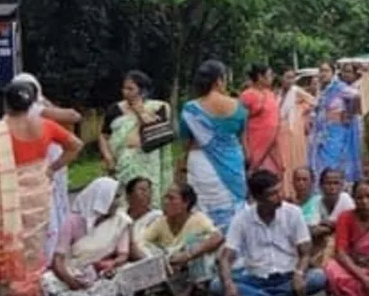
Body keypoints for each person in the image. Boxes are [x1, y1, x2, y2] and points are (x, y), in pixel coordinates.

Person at [0, 81, 83, 296]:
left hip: (8, 195)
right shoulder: (45, 125)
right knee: (34, 249)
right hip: (38, 192)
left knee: (9, 246)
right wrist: (52, 168)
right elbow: (76, 145)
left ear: (6, 104)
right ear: (32, 103)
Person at [211, 170, 327, 296]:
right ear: (258, 198)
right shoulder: (242, 218)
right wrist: (228, 284)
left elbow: (305, 252)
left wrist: (299, 274)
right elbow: (225, 258)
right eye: (272, 194)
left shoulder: (293, 213)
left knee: (318, 278)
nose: (280, 196)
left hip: (288, 278)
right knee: (217, 286)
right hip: (255, 279)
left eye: (279, 191)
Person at [41, 177, 151, 296]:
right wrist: (70, 280)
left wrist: (112, 265)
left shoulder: (121, 221)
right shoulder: (73, 221)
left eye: (119, 197)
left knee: (117, 282)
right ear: (102, 199)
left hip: (102, 274)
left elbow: (123, 254)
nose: (118, 202)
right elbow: (58, 260)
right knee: (47, 282)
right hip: (73, 271)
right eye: (114, 197)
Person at [11, 73, 82, 259]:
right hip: (43, 170)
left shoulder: (6, 121)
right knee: (48, 212)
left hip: (26, 175)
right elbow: (74, 118)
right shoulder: (37, 112)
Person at [177, 60, 248, 235]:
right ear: (218, 81)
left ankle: (204, 254)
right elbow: (241, 139)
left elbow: (186, 143)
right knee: (233, 210)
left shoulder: (190, 109)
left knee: (203, 211)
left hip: (201, 164)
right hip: (232, 164)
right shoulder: (238, 107)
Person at [135, 183, 223, 296]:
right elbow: (140, 243)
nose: (166, 202)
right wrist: (162, 259)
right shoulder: (161, 222)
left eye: (171, 198)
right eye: (165, 198)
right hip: (172, 272)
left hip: (196, 275)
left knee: (197, 242)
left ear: (185, 203)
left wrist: (187, 255)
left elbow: (218, 237)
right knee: (151, 249)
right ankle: (174, 294)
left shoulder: (198, 219)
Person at [99, 70, 174, 207]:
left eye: (131, 89)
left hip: (147, 164)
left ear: (143, 90)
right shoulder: (115, 109)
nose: (125, 92)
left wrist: (140, 111)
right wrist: (108, 157)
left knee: (146, 201)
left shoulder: (157, 107)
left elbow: (156, 131)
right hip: (122, 163)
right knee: (123, 203)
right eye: (124, 88)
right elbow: (104, 136)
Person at [309, 61, 363, 187]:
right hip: (323, 134)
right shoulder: (323, 90)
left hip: (337, 132)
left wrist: (350, 113)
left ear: (333, 73)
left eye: (326, 71)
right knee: (321, 164)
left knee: (334, 164)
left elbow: (357, 96)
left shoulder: (339, 87)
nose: (323, 74)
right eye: (321, 71)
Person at [278, 69, 317, 201]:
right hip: (280, 132)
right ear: (281, 78)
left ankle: (295, 192)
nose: (289, 81)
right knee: (283, 162)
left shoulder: (296, 91)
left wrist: (303, 112)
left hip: (294, 131)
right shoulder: (278, 94)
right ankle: (285, 191)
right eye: (287, 77)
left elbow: (314, 102)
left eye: (292, 78)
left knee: (294, 160)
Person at [240, 64, 282, 178]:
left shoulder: (270, 94)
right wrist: (246, 150)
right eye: (270, 75)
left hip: (271, 148)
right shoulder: (247, 95)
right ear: (260, 77)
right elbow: (241, 125)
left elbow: (274, 122)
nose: (272, 77)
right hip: (254, 148)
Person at [311, 168, 356, 265]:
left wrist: (329, 225)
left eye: (336, 183)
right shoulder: (316, 201)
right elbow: (313, 230)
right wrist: (335, 226)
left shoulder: (345, 199)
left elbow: (352, 226)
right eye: (328, 183)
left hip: (344, 250)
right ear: (321, 186)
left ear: (342, 185)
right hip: (320, 249)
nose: (332, 187)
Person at [125, 176, 163, 254]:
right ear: (129, 195)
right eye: (142, 190)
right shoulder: (119, 216)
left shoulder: (157, 217)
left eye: (149, 191)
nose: (147, 194)